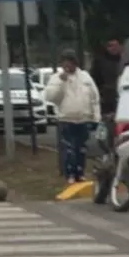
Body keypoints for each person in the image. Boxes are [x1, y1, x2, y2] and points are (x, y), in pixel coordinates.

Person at [45, 50, 102, 184]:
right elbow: (51, 98)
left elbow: (94, 97)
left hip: (84, 117)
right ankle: (69, 174)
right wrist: (61, 83)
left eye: (70, 63)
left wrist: (96, 117)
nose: (68, 66)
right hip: (66, 118)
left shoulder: (85, 77)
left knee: (81, 147)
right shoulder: (56, 78)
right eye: (65, 63)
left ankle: (80, 173)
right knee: (69, 148)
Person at [89, 39, 123, 120]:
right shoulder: (100, 61)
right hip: (105, 98)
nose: (113, 48)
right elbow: (94, 80)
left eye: (115, 45)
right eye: (110, 46)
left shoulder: (125, 61)